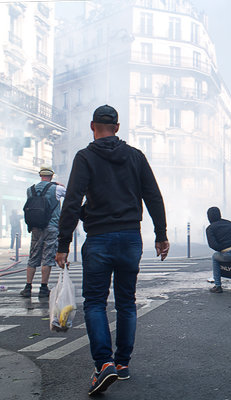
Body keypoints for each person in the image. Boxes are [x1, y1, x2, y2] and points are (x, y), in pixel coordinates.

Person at [55, 105, 170, 395]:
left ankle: (103, 364)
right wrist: (161, 234)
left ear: (92, 126)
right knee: (126, 301)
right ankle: (122, 364)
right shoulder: (135, 156)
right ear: (117, 128)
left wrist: (63, 244)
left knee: (95, 302)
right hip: (131, 238)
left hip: (99, 240)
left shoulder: (85, 157)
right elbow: (153, 196)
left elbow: (71, 202)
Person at [20, 165, 66, 298]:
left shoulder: (30, 190)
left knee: (33, 256)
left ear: (41, 176)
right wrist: (59, 185)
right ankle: (43, 288)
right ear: (51, 176)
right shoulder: (57, 188)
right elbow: (71, 196)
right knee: (47, 257)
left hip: (35, 227)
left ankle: (28, 287)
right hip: (51, 227)